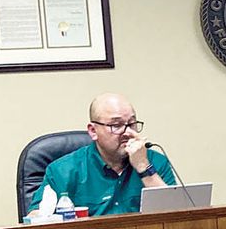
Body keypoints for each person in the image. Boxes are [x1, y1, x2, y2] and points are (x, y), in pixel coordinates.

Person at [26, 93, 174, 219]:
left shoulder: (155, 162)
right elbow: (35, 218)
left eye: (132, 124)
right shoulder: (62, 171)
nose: (128, 132)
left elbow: (177, 216)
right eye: (116, 125)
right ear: (93, 131)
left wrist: (144, 167)